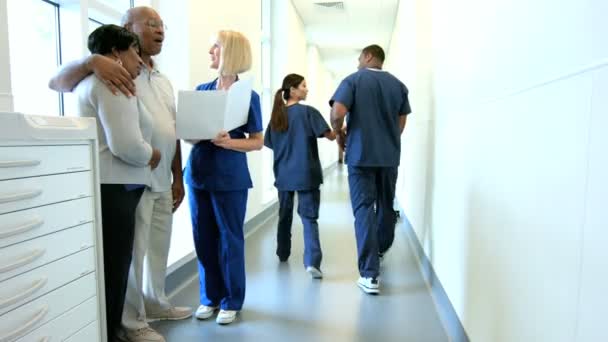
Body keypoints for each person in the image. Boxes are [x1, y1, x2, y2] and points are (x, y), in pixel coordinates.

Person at [49, 7, 188, 342]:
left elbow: (173, 129)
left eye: (162, 23)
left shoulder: (163, 79)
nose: (160, 30)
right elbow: (55, 82)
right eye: (151, 24)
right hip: (129, 175)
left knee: (156, 248)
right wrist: (91, 62)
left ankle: (156, 303)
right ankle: (131, 323)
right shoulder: (111, 72)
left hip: (157, 176)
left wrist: (177, 175)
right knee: (127, 257)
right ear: (128, 30)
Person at [73, 24, 160, 342]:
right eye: (134, 51)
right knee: (115, 269)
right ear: (114, 54)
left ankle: (110, 331)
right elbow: (126, 145)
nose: (139, 58)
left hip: (109, 186)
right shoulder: (113, 83)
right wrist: (154, 154)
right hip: (117, 187)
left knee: (112, 267)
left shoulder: (88, 83)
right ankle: (111, 334)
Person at [185, 30, 263, 325]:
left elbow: (257, 140)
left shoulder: (248, 96)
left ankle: (231, 299)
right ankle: (209, 297)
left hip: (230, 177)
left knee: (230, 239)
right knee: (203, 237)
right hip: (199, 174)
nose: (210, 51)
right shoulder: (202, 90)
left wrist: (228, 142)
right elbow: (189, 135)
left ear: (229, 52)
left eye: (215, 47)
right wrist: (196, 133)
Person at [329, 44, 411, 295]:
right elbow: (401, 122)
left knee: (364, 209)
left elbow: (337, 112)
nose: (357, 62)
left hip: (360, 156)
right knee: (386, 205)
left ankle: (369, 274)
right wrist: (388, 140)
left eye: (359, 57)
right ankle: (379, 248)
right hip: (388, 157)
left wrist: (341, 133)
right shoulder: (398, 85)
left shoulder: (353, 81)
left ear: (368, 56)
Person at [263, 73, 335, 279]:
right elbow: (329, 136)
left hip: (284, 174)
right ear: (292, 90)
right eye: (303, 86)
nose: (306, 89)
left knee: (284, 215)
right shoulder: (308, 113)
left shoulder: (277, 116)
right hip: (306, 173)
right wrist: (339, 128)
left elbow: (270, 143)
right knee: (309, 217)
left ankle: (282, 252)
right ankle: (312, 262)